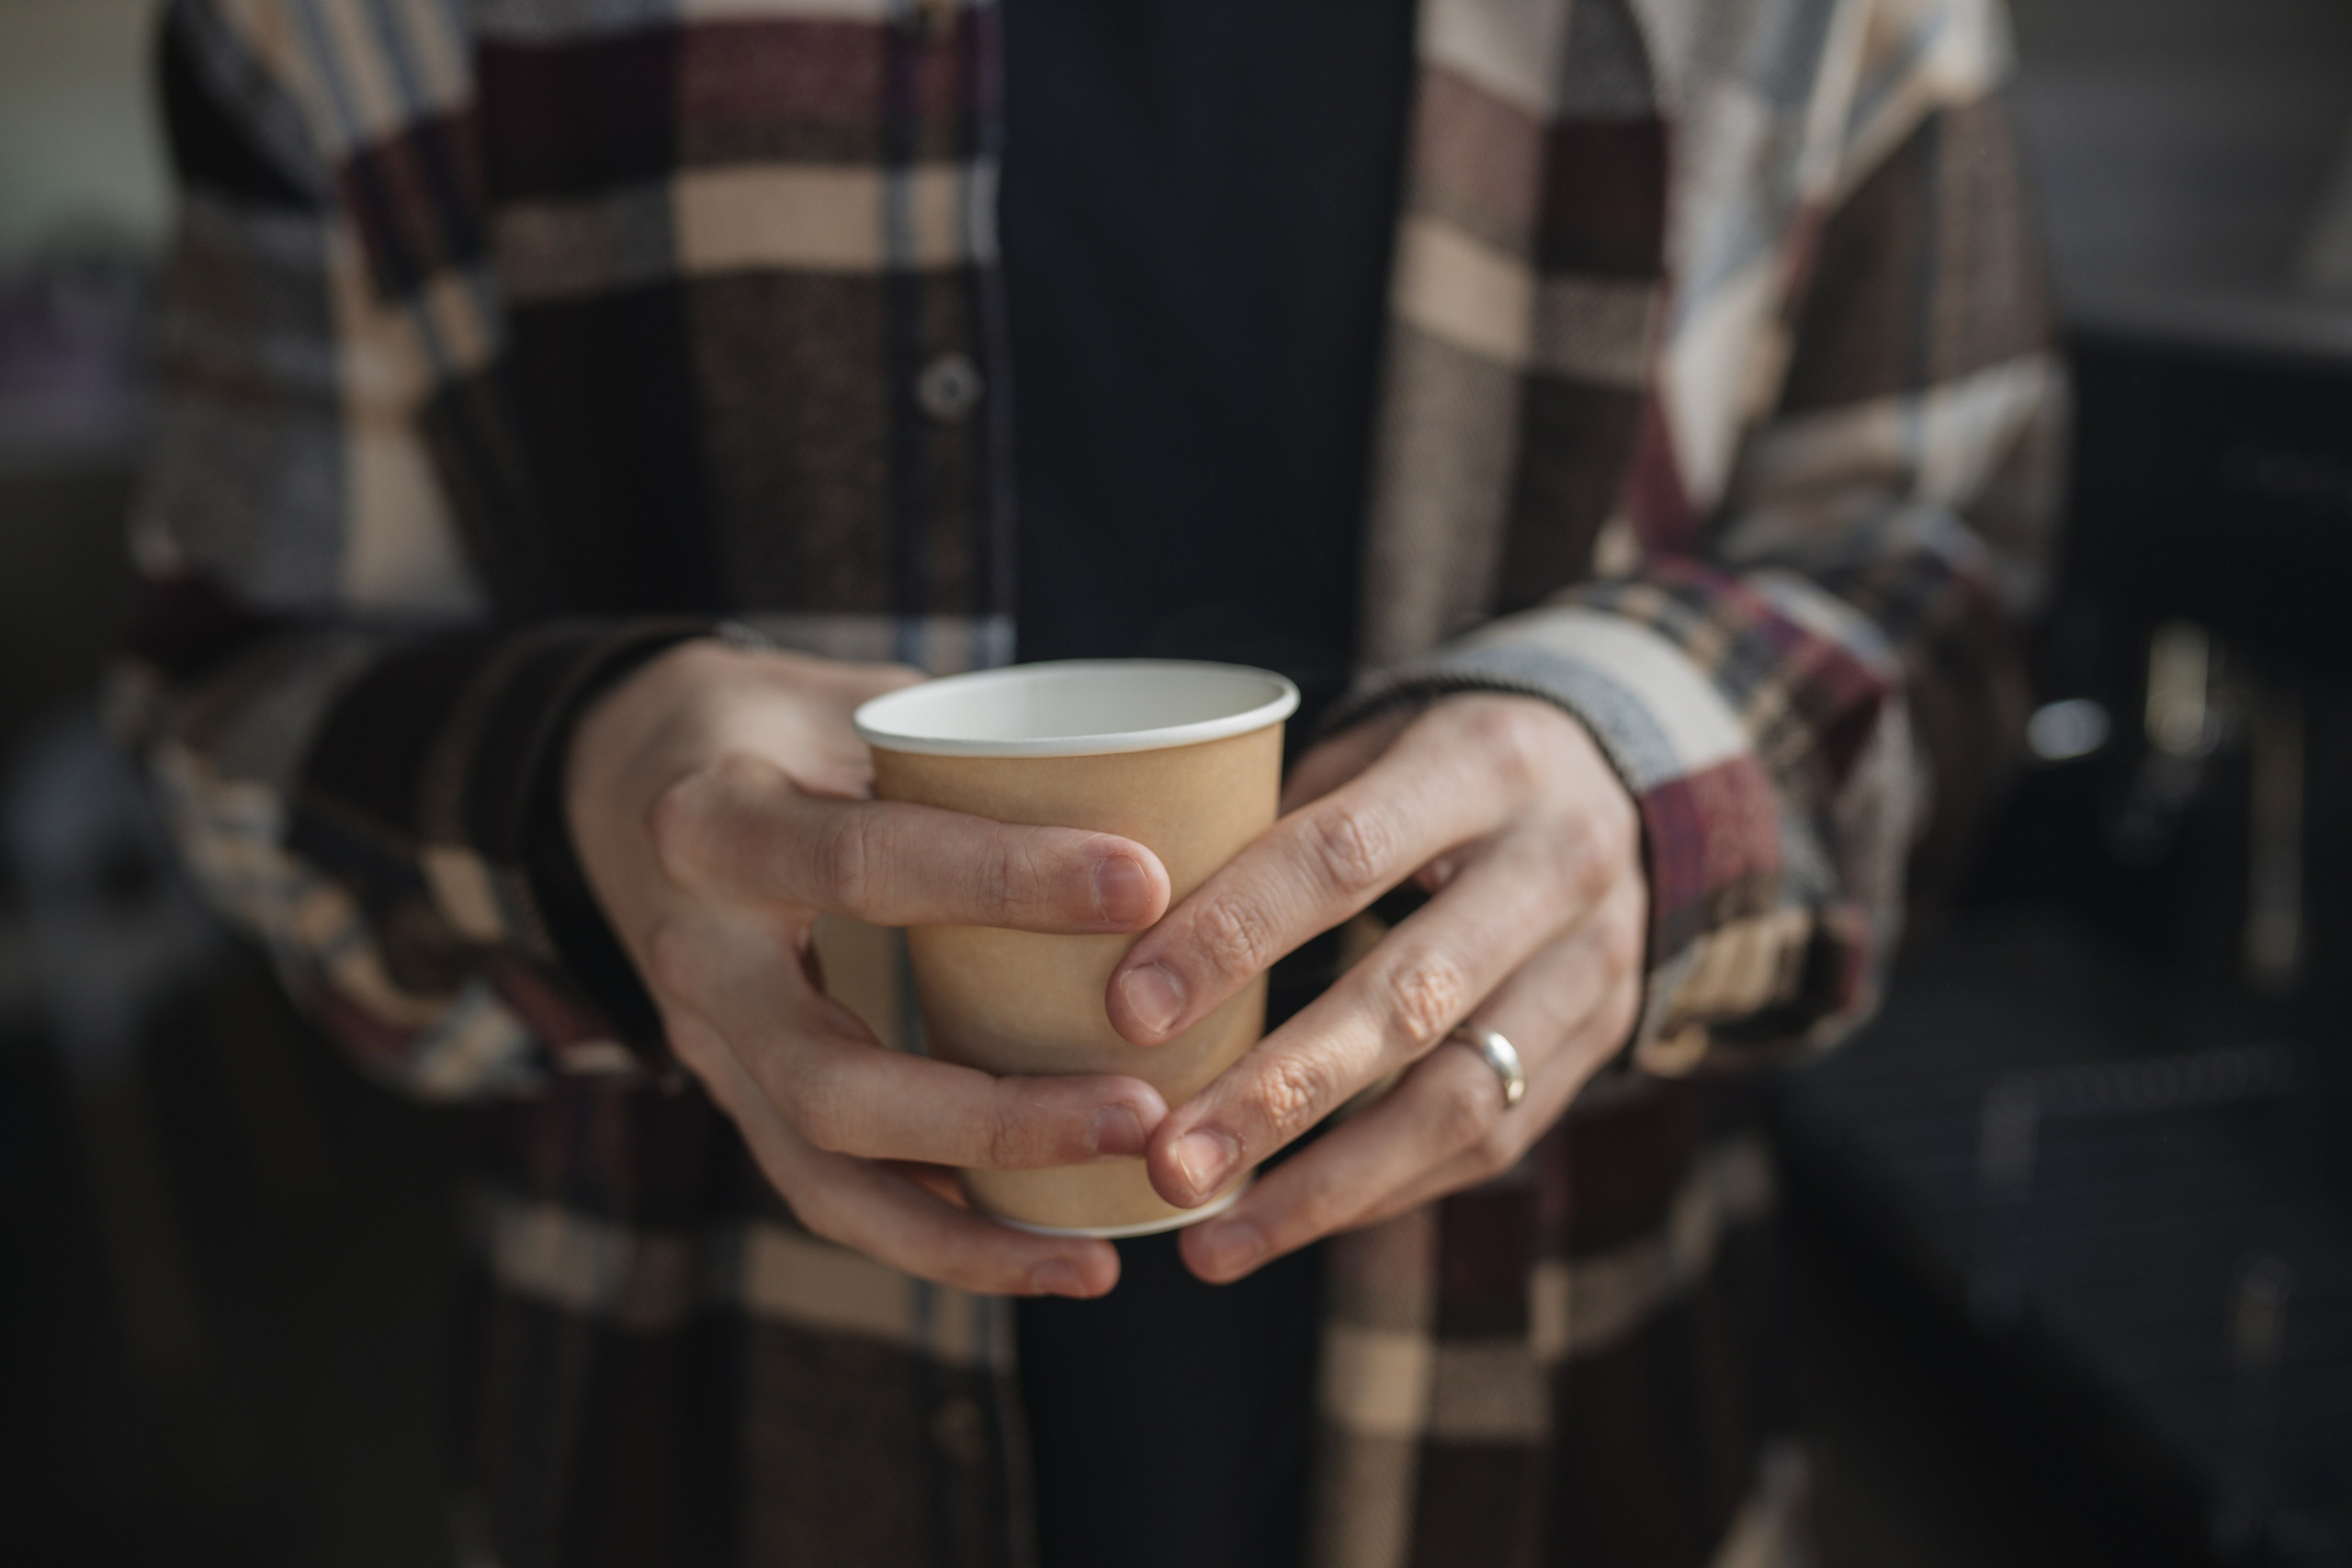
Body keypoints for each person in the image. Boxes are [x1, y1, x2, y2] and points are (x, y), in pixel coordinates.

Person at [126, 0, 2058, 1562]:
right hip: (700, 1449)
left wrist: (1641, 781)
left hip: (1571, 1439)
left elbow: (1953, 583)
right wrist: (581, 778)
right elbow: (234, 682)